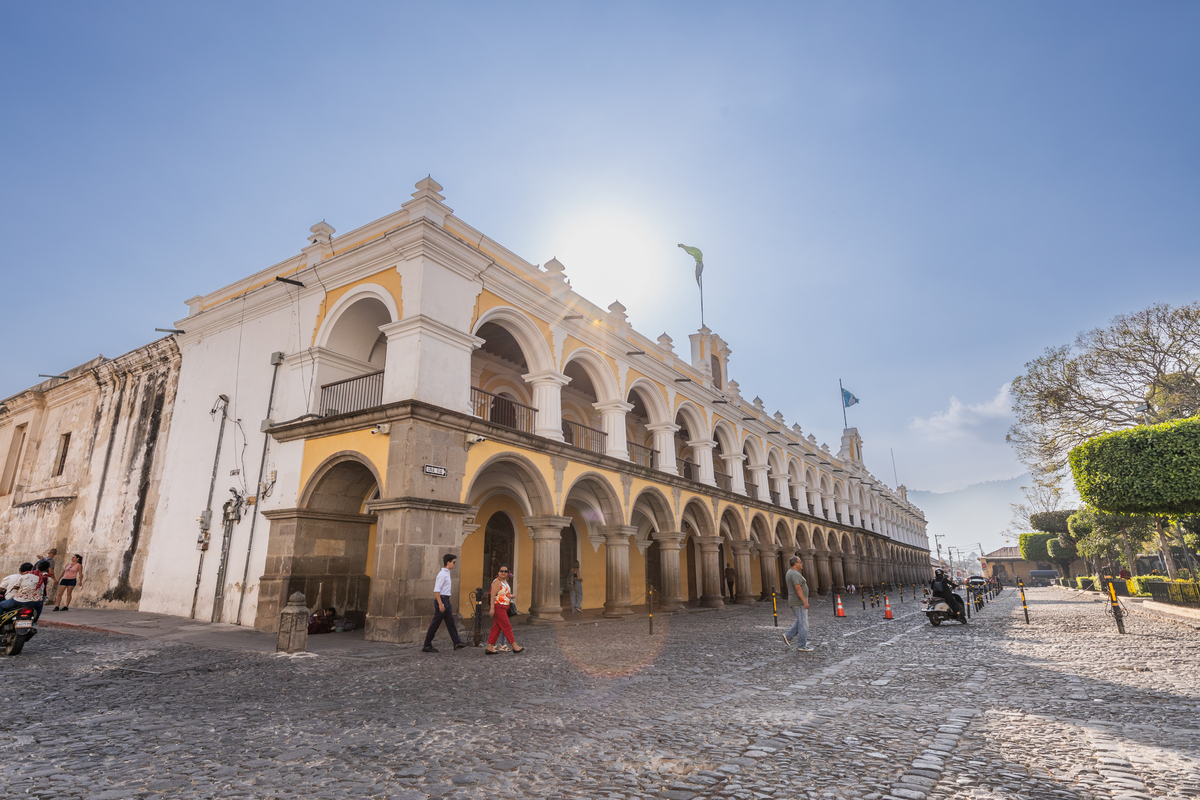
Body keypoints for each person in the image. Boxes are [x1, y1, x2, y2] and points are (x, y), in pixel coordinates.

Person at [423, 553, 465, 653]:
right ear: (448, 562)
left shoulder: (447, 573)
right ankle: (427, 644)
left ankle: (457, 642)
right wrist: (440, 604)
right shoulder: (442, 574)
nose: (455, 564)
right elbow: (437, 590)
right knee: (435, 624)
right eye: (454, 562)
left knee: (451, 623)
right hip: (442, 600)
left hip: (446, 600)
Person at [485, 565, 523, 655]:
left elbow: (503, 593)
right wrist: (492, 609)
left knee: (496, 628)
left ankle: (490, 647)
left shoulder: (504, 582)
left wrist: (510, 596)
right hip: (499, 607)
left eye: (505, 571)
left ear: (507, 573)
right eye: (501, 571)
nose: (503, 572)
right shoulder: (497, 582)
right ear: (498, 572)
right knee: (507, 626)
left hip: (504, 607)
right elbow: (492, 595)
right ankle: (514, 645)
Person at [782, 555, 813, 652]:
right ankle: (802, 645)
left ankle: (788, 635)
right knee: (804, 624)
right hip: (798, 602)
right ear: (795, 563)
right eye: (800, 562)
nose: (802, 564)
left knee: (801, 621)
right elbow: (797, 587)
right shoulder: (795, 574)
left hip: (796, 601)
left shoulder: (790, 572)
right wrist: (805, 601)